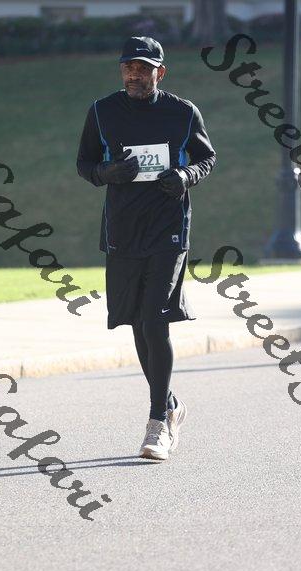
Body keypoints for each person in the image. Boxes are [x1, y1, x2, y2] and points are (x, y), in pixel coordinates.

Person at [76, 36, 216, 461]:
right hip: (123, 230)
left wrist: (186, 176)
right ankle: (170, 405)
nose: (134, 74)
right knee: (137, 321)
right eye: (128, 67)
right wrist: (108, 172)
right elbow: (85, 165)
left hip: (168, 229)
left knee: (156, 320)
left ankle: (157, 424)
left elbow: (206, 158)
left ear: (160, 72)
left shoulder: (183, 112)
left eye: (143, 68)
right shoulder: (102, 111)